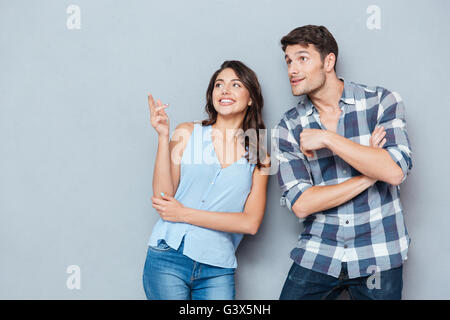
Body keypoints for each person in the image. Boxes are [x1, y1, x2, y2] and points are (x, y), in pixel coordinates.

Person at [273, 25, 412, 300]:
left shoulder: (381, 102)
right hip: (319, 252)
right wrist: (371, 174)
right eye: (288, 61)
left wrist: (328, 139)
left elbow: (395, 172)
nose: (292, 69)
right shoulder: (289, 126)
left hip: (378, 252)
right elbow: (301, 204)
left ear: (328, 61)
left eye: (302, 58)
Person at [142, 60, 270, 300]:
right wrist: (162, 136)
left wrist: (183, 214)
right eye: (219, 85)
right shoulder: (186, 132)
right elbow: (163, 199)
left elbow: (250, 223)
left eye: (235, 84)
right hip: (168, 256)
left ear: (251, 98)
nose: (225, 91)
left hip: (217, 267)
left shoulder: (261, 157)